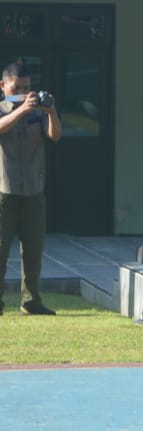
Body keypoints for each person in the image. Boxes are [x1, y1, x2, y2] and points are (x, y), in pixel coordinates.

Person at [0, 61, 63, 316]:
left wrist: (51, 111)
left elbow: (55, 135)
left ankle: (31, 300)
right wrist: (21, 111)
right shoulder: (4, 109)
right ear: (3, 86)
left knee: (33, 250)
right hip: (4, 190)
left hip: (34, 190)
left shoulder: (37, 112)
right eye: (17, 87)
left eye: (28, 88)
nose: (24, 93)